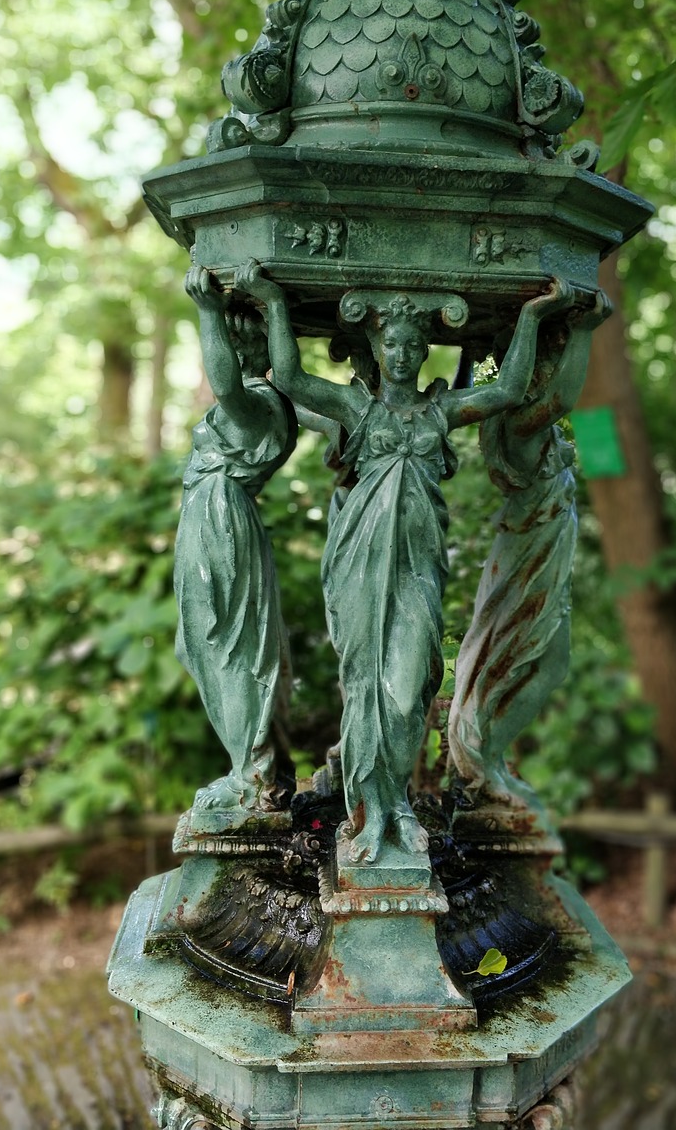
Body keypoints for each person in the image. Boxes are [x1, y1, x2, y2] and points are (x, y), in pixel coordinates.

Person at [234, 260, 571, 862]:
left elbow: (505, 390)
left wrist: (533, 316)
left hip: (417, 567)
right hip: (361, 564)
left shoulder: (437, 413)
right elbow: (287, 374)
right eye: (392, 341)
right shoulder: (357, 411)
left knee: (410, 682)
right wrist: (270, 302)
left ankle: (393, 798)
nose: (404, 353)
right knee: (365, 683)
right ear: (376, 343)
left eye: (416, 344)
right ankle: (372, 813)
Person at [448, 294, 611, 807]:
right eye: (543, 363)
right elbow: (561, 401)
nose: (551, 370)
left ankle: (484, 758)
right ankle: (478, 758)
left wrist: (469, 357)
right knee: (522, 660)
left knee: (545, 662)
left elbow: (591, 434)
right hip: (527, 556)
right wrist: (585, 329)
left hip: (544, 555)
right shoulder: (518, 428)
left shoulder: (534, 428)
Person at [174, 261, 297, 817]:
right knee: (202, 644)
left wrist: (207, 313)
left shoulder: (260, 405)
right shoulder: (260, 404)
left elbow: (223, 384)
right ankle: (250, 765)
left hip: (221, 521)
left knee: (230, 646)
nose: (230, 341)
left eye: (236, 335)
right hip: (208, 518)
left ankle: (252, 773)